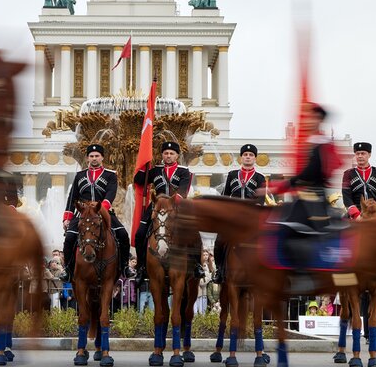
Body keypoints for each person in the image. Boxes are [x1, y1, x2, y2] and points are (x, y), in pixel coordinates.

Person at [261, 103, 345, 293]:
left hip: (314, 199)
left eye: (311, 117)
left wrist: (282, 186)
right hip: (307, 196)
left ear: (319, 120)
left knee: (291, 228)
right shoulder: (316, 142)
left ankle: (303, 275)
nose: (306, 120)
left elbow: (311, 172)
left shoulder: (322, 143)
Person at [133, 140, 201, 282]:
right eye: (166, 153)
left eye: (171, 153)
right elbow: (138, 180)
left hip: (176, 206)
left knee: (194, 233)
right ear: (162, 155)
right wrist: (145, 165)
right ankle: (141, 267)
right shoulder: (156, 170)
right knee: (139, 234)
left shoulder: (184, 171)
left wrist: (171, 204)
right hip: (156, 206)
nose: (168, 156)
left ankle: (197, 265)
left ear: (177, 156)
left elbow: (183, 191)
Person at [60, 144, 130, 282]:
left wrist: (100, 209)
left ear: (102, 157)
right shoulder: (80, 175)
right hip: (83, 213)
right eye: (91, 156)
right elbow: (72, 197)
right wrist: (67, 218)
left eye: (97, 156)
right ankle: (68, 270)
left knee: (122, 234)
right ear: (87, 158)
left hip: (102, 211)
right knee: (69, 239)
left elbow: (111, 194)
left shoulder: (110, 175)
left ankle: (125, 267)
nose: (94, 158)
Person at [212, 143, 266, 283]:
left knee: (265, 240)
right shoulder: (232, 175)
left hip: (251, 217)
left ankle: (264, 270)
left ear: (255, 158)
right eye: (245, 155)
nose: (248, 157)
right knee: (219, 240)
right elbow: (225, 197)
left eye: (251, 155)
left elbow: (260, 200)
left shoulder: (260, 178)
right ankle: (219, 270)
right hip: (234, 217)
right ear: (241, 157)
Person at [341, 142, 376, 220]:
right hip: (356, 214)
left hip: (375, 213)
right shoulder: (348, 174)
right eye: (357, 154)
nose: (360, 156)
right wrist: (356, 215)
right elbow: (346, 197)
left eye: (363, 153)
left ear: (369, 155)